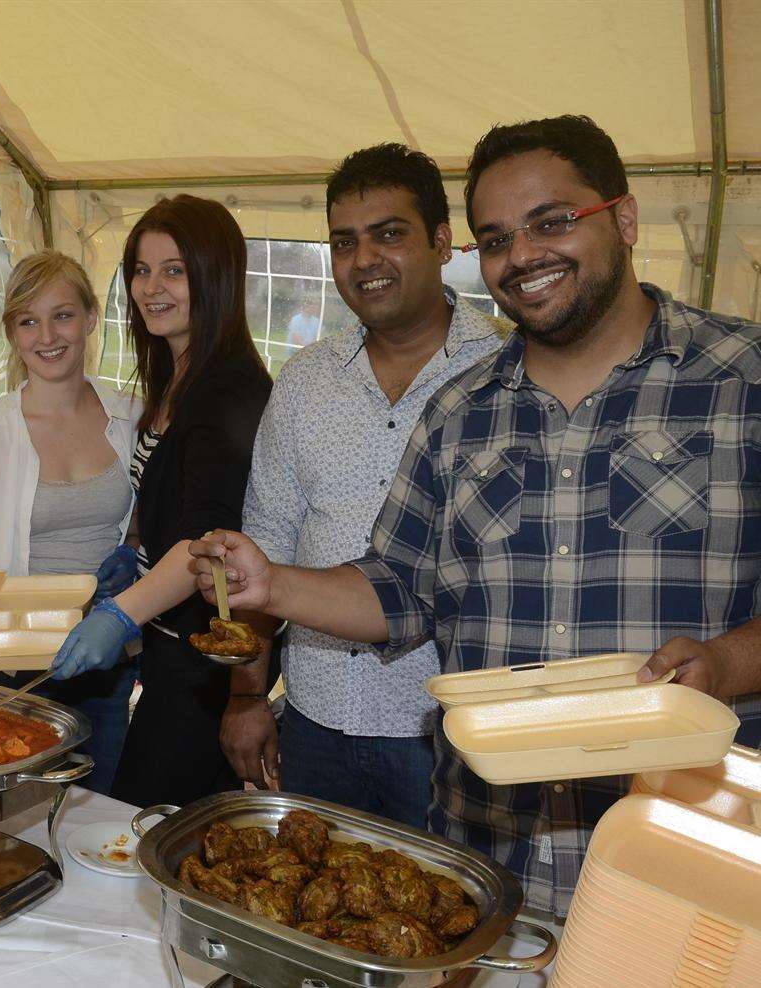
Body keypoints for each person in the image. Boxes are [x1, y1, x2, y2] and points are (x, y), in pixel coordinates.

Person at [191, 115, 761, 919]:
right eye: (498, 239)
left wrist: (727, 665)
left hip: (683, 844)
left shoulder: (742, 381)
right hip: (489, 850)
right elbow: (397, 590)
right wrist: (269, 583)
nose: (522, 255)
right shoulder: (461, 412)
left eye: (553, 221)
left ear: (625, 220)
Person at [222, 145, 505, 825]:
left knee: (444, 923)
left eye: (389, 233)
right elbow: (265, 543)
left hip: (450, 737)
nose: (364, 259)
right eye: (344, 242)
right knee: (316, 916)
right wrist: (245, 695)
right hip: (316, 720)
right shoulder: (306, 381)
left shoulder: (505, 371)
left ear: (442, 243)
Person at [49, 195, 273, 808]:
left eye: (174, 270)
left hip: (207, 668)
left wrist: (122, 612)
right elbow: (173, 496)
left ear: (216, 276)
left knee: (137, 826)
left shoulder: (227, 391)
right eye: (141, 270)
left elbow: (209, 543)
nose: (152, 288)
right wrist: (133, 549)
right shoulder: (180, 375)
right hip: (171, 653)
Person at [0, 250, 140, 794]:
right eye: (29, 320)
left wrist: (134, 562)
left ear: (91, 319)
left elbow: (146, 525)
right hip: (17, 667)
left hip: (106, 657)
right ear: (12, 333)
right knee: (18, 809)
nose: (47, 335)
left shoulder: (132, 416)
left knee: (99, 812)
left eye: (63, 315)